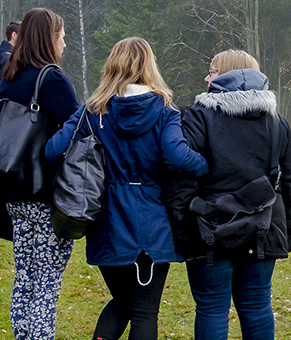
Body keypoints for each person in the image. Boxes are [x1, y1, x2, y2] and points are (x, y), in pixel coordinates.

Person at [45, 37, 207, 340]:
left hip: (106, 220)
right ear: (149, 66)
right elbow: (176, 154)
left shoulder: (92, 111)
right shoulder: (164, 110)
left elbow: (53, 151)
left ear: (112, 66)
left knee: (123, 301)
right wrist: (205, 166)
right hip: (151, 219)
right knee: (144, 312)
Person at [168, 49, 291, 340]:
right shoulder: (276, 120)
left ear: (228, 74)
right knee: (256, 305)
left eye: (212, 71)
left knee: (211, 308)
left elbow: (180, 177)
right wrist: (288, 230)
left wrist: (183, 229)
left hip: (209, 227)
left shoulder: (198, 116)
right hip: (263, 226)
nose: (207, 77)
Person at [0, 8, 80, 339]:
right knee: (47, 284)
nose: (64, 43)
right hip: (44, 193)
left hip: (14, 190)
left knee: (26, 277)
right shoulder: (52, 80)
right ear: (50, 39)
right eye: (61, 36)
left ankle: (22, 334)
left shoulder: (9, 76)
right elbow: (77, 128)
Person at [0, 20, 21, 87]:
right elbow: (5, 87)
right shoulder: (7, 58)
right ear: (14, 35)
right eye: (23, 35)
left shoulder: (4, 56)